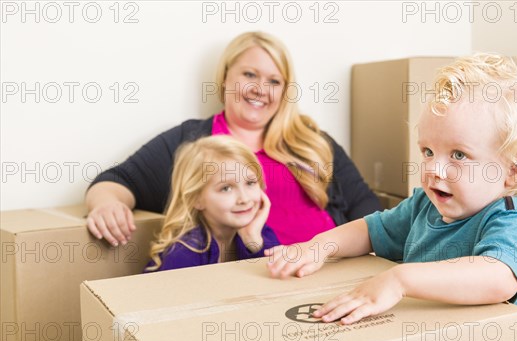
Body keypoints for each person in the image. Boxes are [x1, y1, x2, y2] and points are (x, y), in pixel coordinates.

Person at [266, 53, 517, 341]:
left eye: (458, 155)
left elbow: (497, 276)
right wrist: (318, 246)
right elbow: (371, 228)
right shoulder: (424, 204)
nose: (434, 169)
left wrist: (400, 279)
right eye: (427, 151)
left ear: (513, 170)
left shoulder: (510, 220)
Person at [85, 31, 380, 247]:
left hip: (331, 271)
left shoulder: (313, 141)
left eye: (274, 81)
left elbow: (365, 206)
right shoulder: (192, 143)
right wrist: (107, 204)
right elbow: (117, 180)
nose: (260, 89)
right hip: (249, 281)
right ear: (225, 78)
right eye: (250, 75)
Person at [144, 136, 279, 272]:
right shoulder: (184, 253)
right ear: (196, 199)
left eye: (250, 183)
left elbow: (276, 281)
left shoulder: (259, 232)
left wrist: (253, 240)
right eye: (226, 188)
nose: (244, 199)